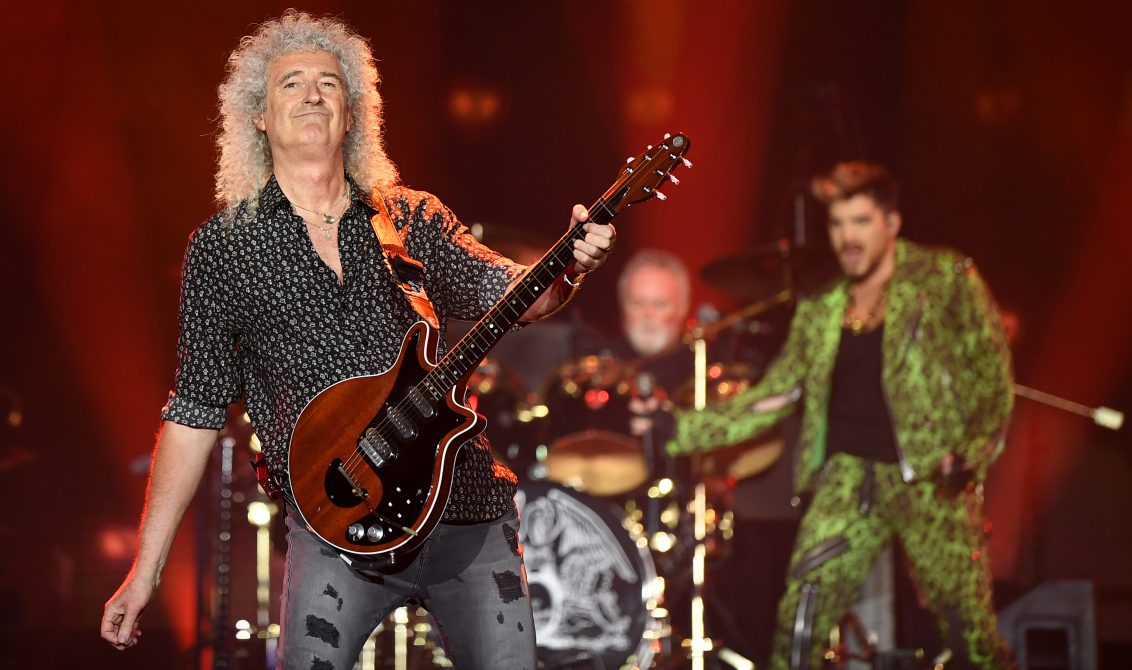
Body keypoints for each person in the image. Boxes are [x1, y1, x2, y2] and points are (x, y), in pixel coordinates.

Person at [99, 11, 615, 669]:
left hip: (464, 508)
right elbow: (194, 413)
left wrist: (570, 263)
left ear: (353, 113)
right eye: (291, 84)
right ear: (257, 116)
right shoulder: (224, 249)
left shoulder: (412, 217)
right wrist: (147, 570)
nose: (312, 94)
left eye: (328, 83)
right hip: (334, 524)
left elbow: (517, 295)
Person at [668, 161, 1015, 669]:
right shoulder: (824, 302)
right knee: (799, 622)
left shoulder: (943, 277)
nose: (847, 237)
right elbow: (774, 395)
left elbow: (993, 378)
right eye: (837, 224)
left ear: (891, 223)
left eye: (860, 221)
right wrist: (675, 430)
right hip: (848, 481)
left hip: (931, 477)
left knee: (971, 636)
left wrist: (971, 454)